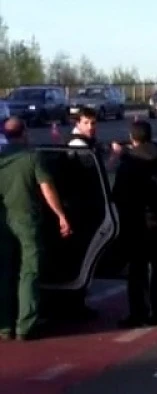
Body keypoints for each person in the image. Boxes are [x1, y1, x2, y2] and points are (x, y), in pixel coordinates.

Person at [0, 117, 71, 341]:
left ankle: (4, 326)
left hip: (3, 222)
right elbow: (47, 188)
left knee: (5, 272)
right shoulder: (33, 157)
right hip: (27, 220)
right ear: (25, 133)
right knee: (29, 272)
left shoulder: (4, 158)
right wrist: (61, 215)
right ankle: (25, 324)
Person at [113, 120, 157, 328]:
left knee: (137, 270)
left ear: (133, 138)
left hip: (136, 221)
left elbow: (118, 194)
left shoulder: (129, 163)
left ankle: (138, 312)